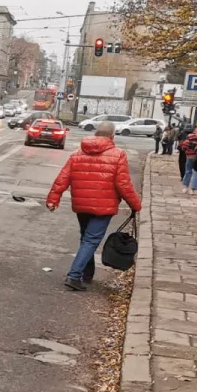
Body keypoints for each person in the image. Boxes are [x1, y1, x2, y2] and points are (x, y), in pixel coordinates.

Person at [46, 122, 142, 291]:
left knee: (86, 239)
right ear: (112, 136)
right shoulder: (118, 155)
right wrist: (135, 205)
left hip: (81, 205)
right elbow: (124, 184)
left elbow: (63, 177)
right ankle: (74, 276)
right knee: (90, 240)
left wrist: (53, 199)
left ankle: (87, 274)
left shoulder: (77, 154)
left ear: (96, 135)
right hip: (103, 207)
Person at [181, 124, 197, 195]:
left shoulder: (190, 136)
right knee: (196, 173)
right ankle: (193, 189)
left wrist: (186, 150)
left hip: (189, 156)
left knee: (188, 171)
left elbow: (185, 145)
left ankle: (186, 187)